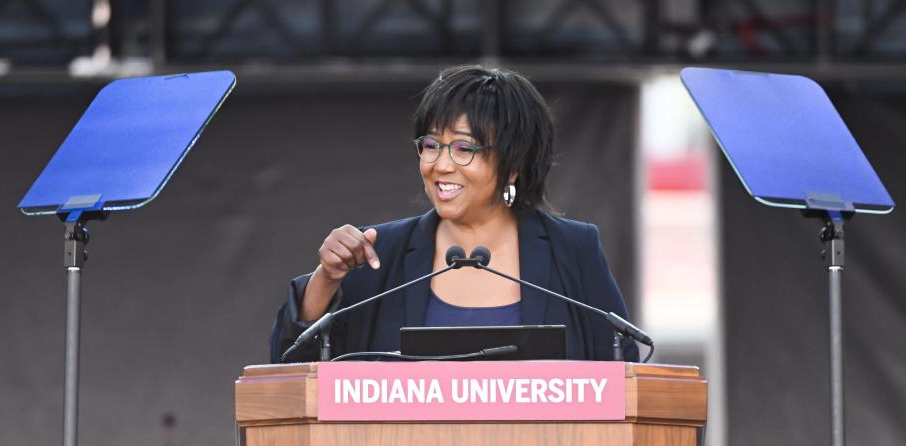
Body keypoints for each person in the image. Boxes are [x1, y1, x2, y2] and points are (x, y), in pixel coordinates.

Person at [270, 65, 639, 363]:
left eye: (464, 148)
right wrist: (327, 278)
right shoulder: (378, 253)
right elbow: (291, 366)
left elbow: (625, 372)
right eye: (431, 145)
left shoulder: (572, 249)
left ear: (513, 164)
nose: (441, 164)